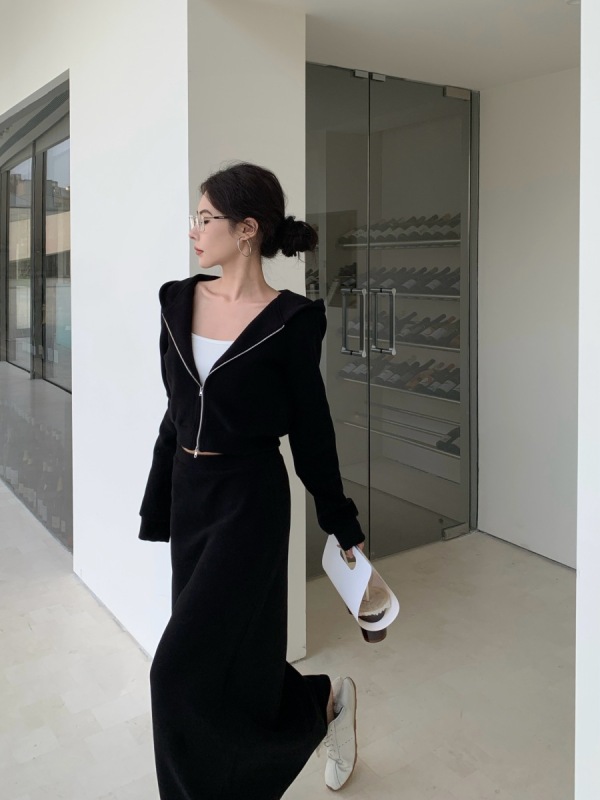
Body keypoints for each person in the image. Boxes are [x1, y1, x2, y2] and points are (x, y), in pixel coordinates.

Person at [138, 161, 367, 799]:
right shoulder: (176, 300)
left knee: (174, 675)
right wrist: (159, 502)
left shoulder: (291, 321)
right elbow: (175, 411)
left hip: (250, 502)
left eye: (205, 217)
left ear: (246, 230)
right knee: (226, 662)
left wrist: (340, 520)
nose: (194, 230)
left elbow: (312, 429)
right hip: (192, 496)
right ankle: (324, 705)